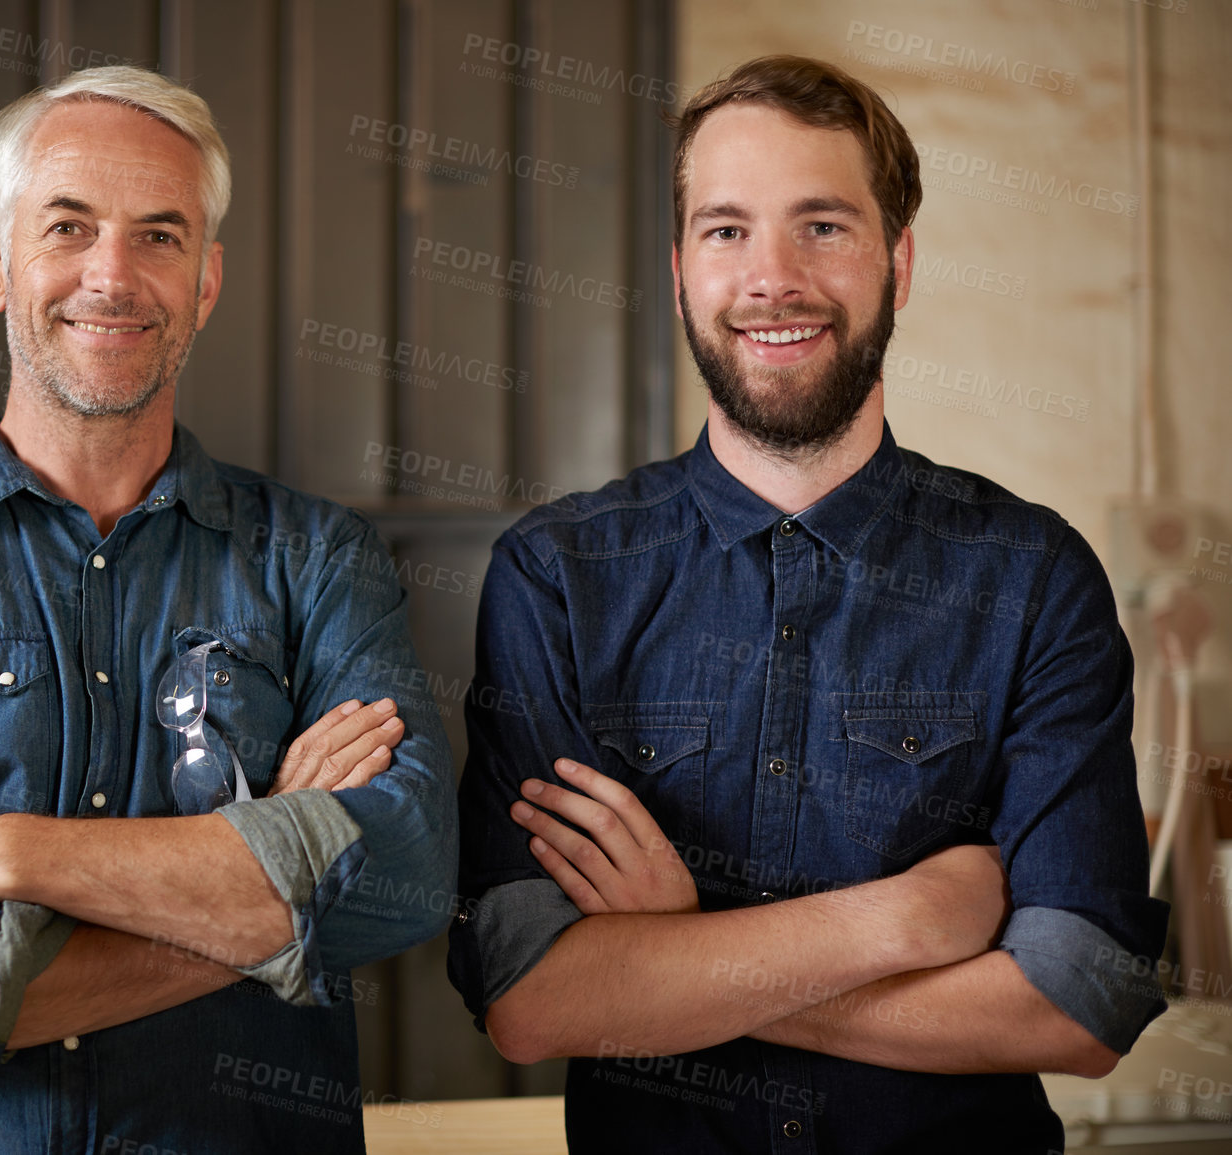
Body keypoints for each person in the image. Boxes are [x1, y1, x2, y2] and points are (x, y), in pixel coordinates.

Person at [448, 54, 1167, 1152]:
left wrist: (680, 953)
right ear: (681, 266)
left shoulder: (1034, 578)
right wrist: (910, 920)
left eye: (823, 226)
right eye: (727, 230)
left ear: (899, 261)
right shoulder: (557, 576)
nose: (771, 276)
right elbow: (533, 998)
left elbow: (1078, 1005)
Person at [0, 65, 456, 1154]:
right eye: (70, 227)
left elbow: (409, 873)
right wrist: (267, 885)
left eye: (161, 236)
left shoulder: (318, 561)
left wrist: (23, 857)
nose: (114, 275)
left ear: (208, 282)